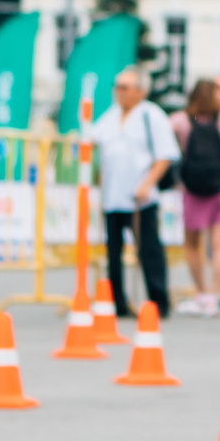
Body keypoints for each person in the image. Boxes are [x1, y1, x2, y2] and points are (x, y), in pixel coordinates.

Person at [87, 64, 179, 320]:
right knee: (113, 252)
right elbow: (93, 138)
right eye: (117, 87)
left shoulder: (152, 115)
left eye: (125, 87)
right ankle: (117, 301)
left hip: (141, 197)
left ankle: (158, 301)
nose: (120, 92)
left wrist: (147, 183)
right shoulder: (111, 116)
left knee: (148, 249)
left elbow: (165, 155)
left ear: (140, 91)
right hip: (113, 195)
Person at [169, 76, 220, 315]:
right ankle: (216, 293)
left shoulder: (182, 120)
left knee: (192, 244)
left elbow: (163, 130)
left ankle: (201, 291)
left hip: (192, 190)